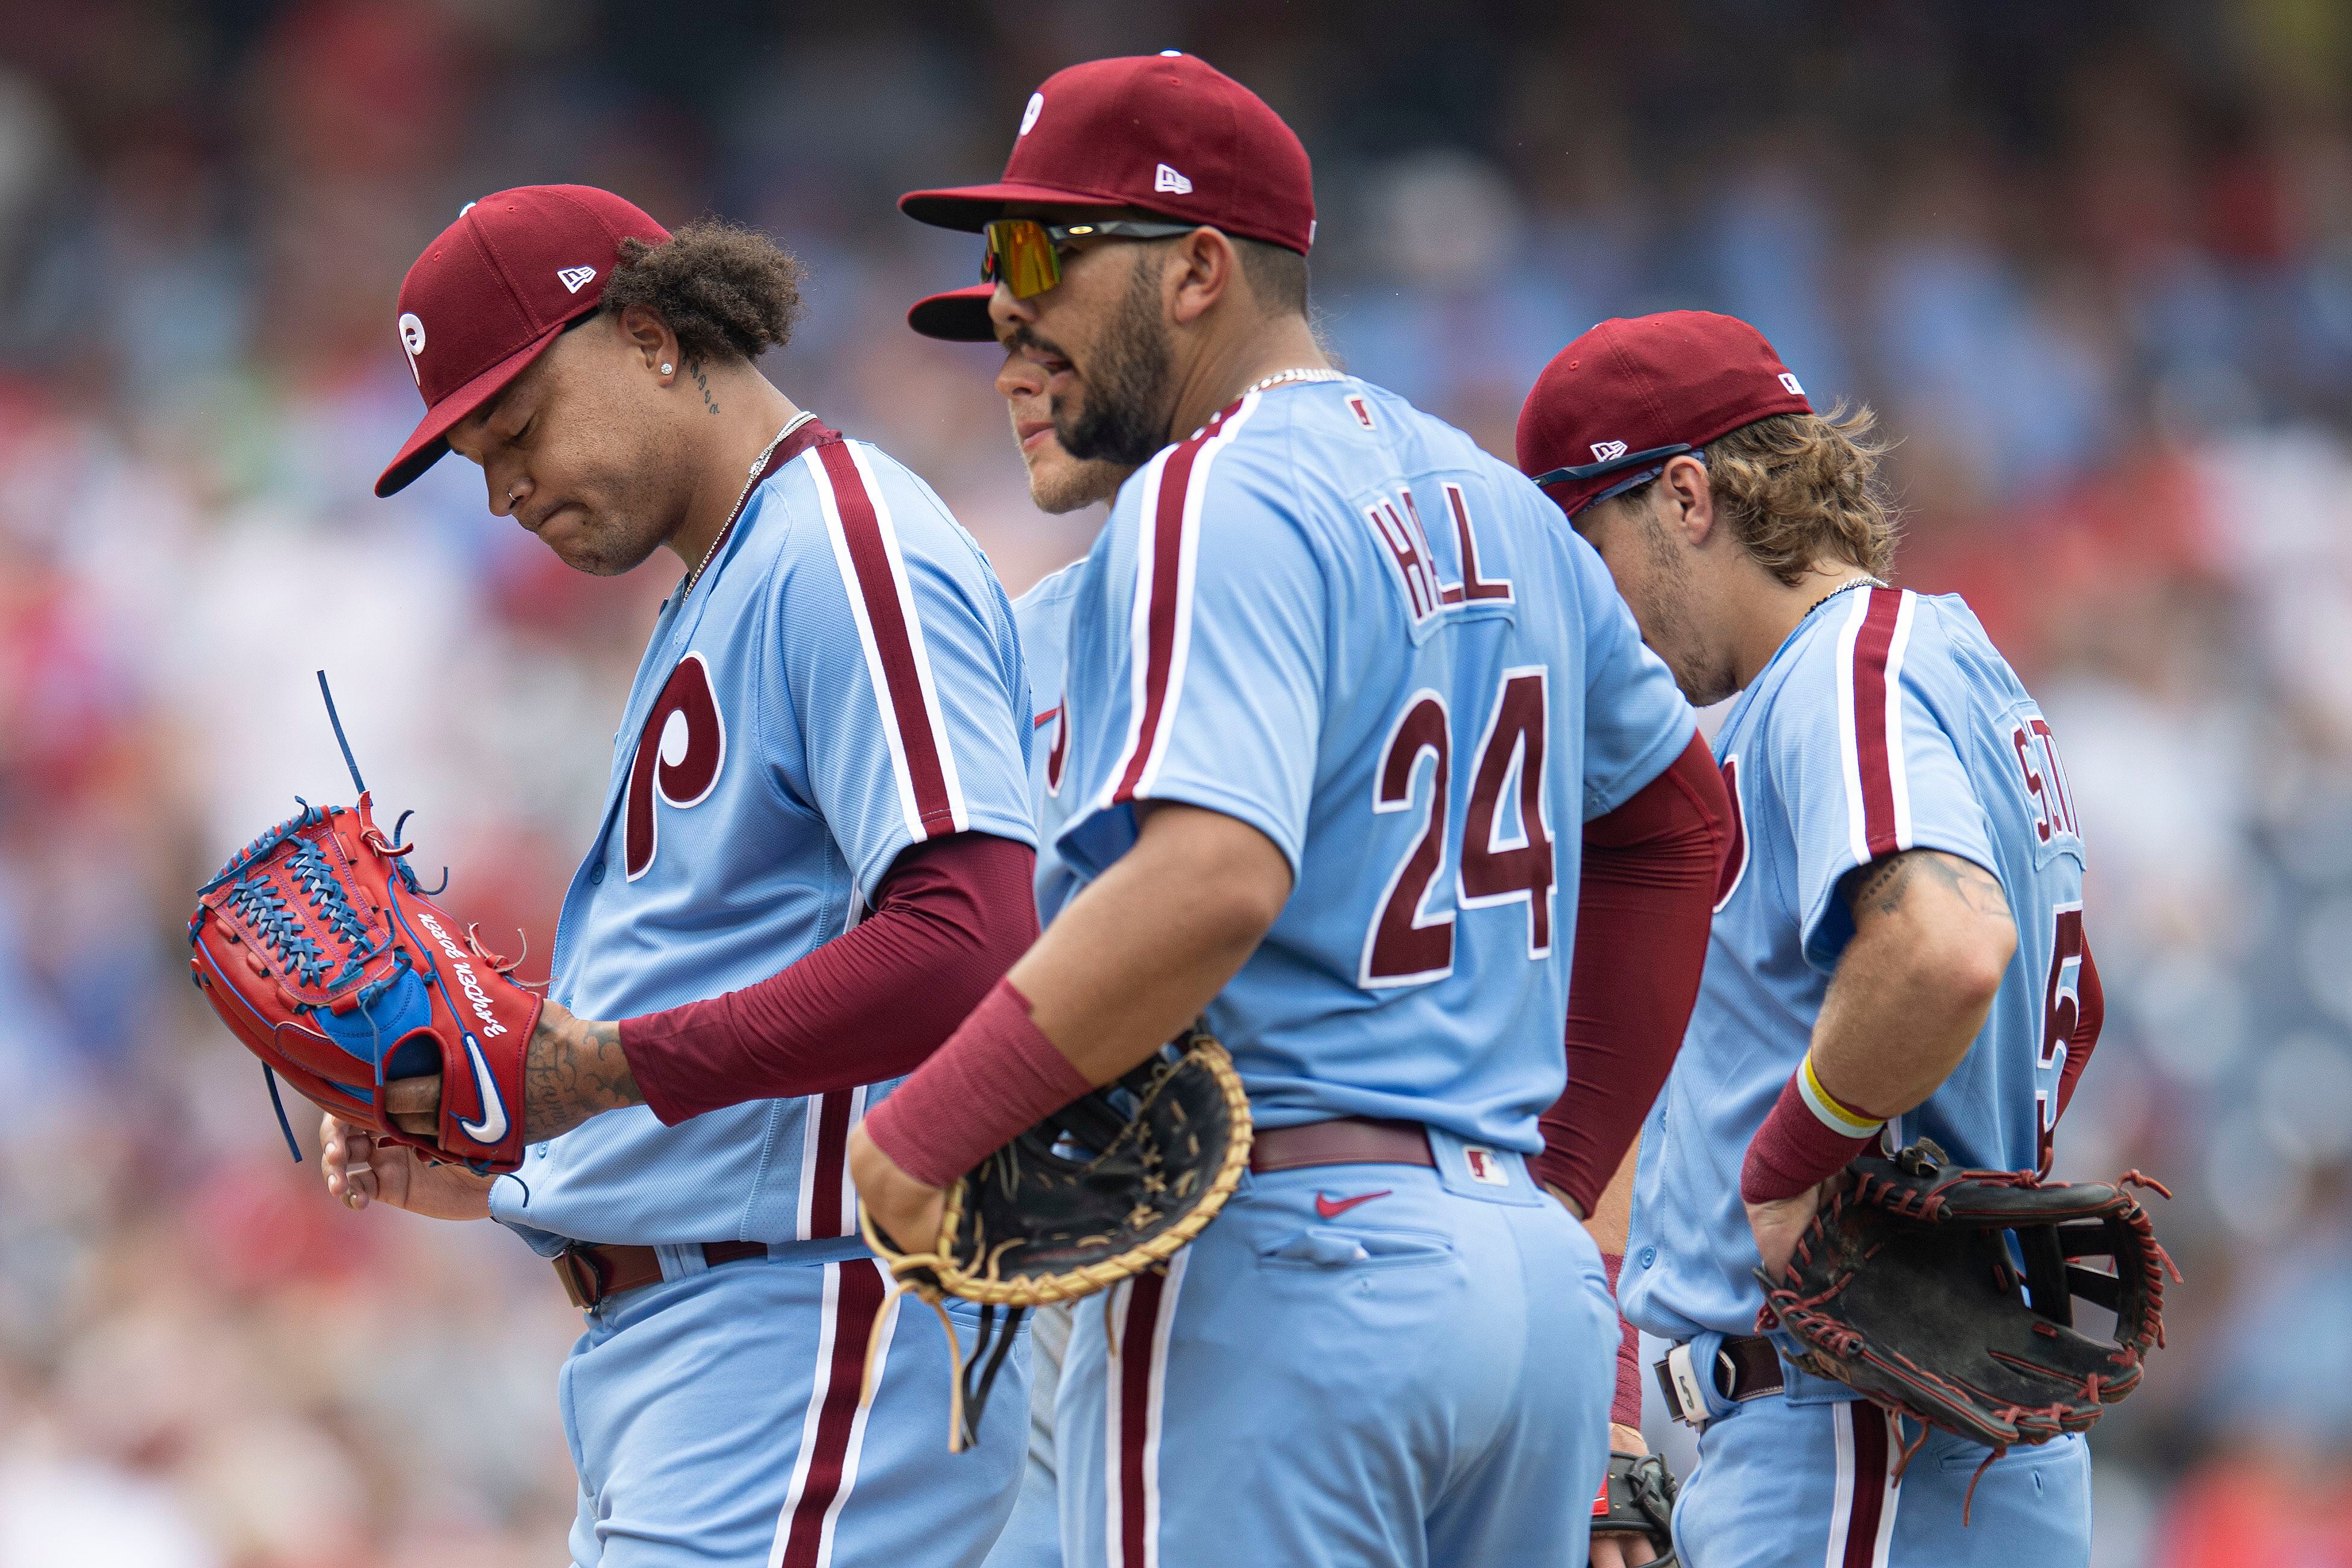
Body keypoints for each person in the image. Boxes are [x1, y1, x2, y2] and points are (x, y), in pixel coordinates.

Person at [855, 54, 1730, 1567]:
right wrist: (1561, 1177)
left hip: (1286, 1266)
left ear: (1198, 268)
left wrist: (920, 1134)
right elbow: (1675, 832)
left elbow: (1210, 880)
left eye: (1044, 257)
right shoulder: (1498, 503)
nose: (1007, 309)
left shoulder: (1216, 491)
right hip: (1515, 1285)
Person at [318, 185, 1042, 1568]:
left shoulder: (841, 546)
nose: (505, 489)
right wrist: (519, 1155)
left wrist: (593, 1073)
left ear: (651, 336)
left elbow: (974, 938)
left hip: (813, 1329)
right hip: (708, 1342)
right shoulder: (727, 580)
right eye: (475, 457)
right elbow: (757, 1011)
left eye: (517, 428)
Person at [1517, 310, 2105, 1567]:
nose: (1580, 608)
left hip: (1856, 1429)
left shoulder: (1850, 671)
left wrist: (1787, 1166)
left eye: (1583, 549)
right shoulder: (1940, 669)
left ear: (1685, 495)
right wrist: (1624, 1398)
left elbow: (1944, 944)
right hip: (1884, 1420)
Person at [905, 279, 1134, 1568]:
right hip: (1049, 1279)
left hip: (1304, 1243)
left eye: (1046, 345)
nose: (1011, 380)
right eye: (1005, 346)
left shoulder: (1340, 586)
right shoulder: (1014, 637)